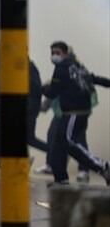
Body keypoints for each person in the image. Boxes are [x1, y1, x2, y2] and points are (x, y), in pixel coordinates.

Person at [41, 42, 110, 185]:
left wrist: (41, 88)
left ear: (66, 53)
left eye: (58, 52)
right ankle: (61, 179)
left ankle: (102, 166)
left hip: (73, 112)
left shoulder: (61, 68)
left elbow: (53, 92)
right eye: (52, 53)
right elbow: (94, 78)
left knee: (69, 142)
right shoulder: (77, 66)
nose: (54, 56)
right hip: (81, 111)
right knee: (58, 145)